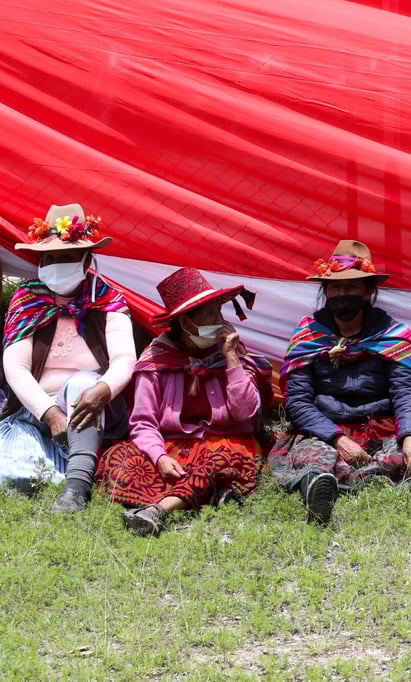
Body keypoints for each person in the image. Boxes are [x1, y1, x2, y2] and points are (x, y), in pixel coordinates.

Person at [268, 240, 411, 526]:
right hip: (325, 431)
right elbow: (297, 402)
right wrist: (337, 438)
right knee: (314, 457)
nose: (342, 294)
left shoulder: (394, 336)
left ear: (367, 292)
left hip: (380, 426)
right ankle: (319, 488)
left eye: (351, 287)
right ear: (326, 291)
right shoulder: (307, 338)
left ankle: (367, 478)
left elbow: (404, 391)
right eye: (335, 288)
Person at [96, 268, 272, 537]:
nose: (219, 321)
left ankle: (158, 510)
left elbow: (246, 411)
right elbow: (143, 422)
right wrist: (160, 457)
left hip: (224, 441)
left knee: (224, 462)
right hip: (172, 445)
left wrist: (231, 360)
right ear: (185, 323)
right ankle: (210, 495)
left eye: (219, 312)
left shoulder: (231, 352)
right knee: (118, 460)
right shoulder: (156, 360)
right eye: (210, 315)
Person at [0, 203, 135, 511]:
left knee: (83, 384)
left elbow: (125, 359)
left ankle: (77, 487)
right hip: (34, 411)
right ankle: (73, 465)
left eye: (66, 257)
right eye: (50, 258)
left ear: (87, 259)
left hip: (92, 408)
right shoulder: (27, 300)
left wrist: (103, 390)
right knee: (14, 477)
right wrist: (49, 412)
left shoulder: (108, 300)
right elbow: (16, 367)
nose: (56, 265)